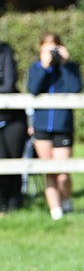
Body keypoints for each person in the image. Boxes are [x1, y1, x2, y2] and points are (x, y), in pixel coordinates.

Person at [27, 33, 82, 220]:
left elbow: (75, 88)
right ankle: (55, 211)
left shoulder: (70, 68)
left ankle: (66, 199)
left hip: (63, 125)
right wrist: (44, 66)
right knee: (49, 170)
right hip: (42, 125)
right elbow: (33, 89)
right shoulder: (36, 68)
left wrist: (65, 65)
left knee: (63, 172)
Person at [0, 42, 26, 213]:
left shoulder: (5, 51)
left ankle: (14, 205)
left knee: (13, 160)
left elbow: (9, 86)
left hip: (12, 116)